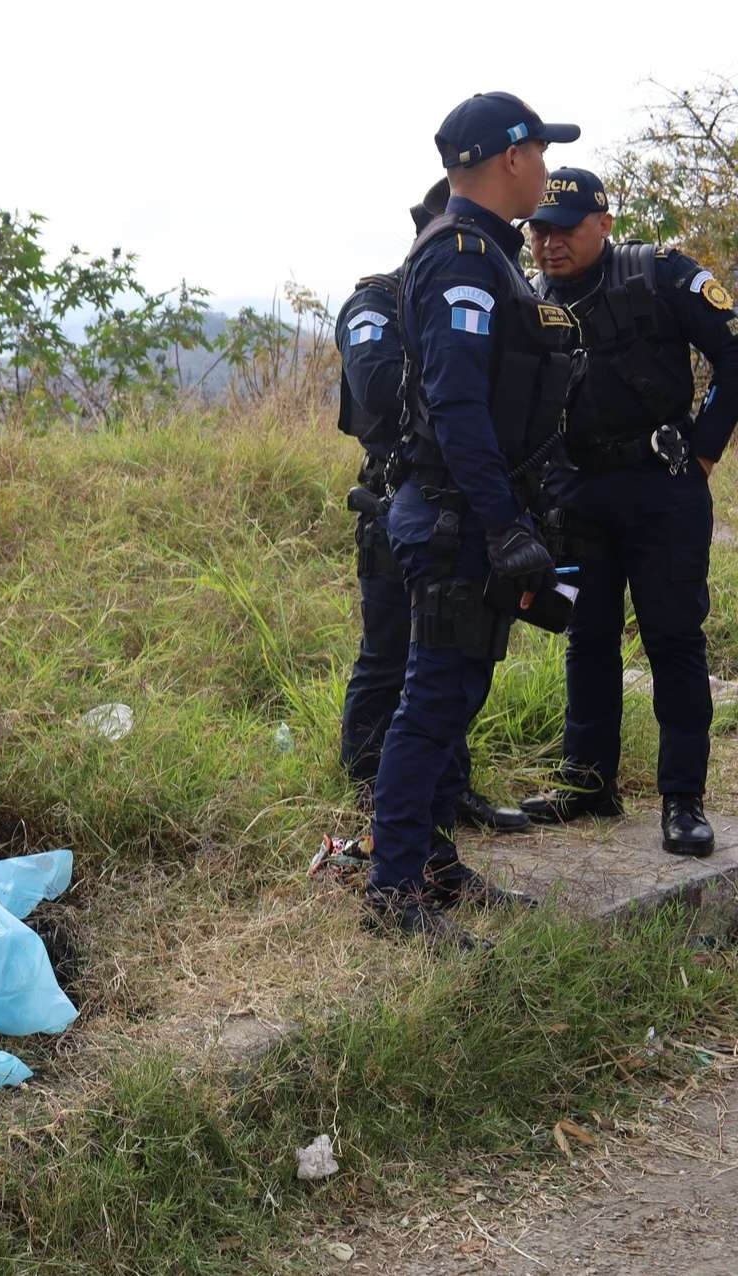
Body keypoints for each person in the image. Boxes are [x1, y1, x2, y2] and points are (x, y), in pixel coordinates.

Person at [367, 93, 582, 945]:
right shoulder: (461, 258)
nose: (548, 168)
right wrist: (502, 527)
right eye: (540, 152)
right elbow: (457, 406)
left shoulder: (489, 255)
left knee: (455, 701)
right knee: (430, 707)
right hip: (456, 519)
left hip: (470, 518)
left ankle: (434, 865)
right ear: (511, 158)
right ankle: (391, 892)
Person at [515, 168, 738, 856]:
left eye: (566, 230)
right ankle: (588, 784)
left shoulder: (659, 274)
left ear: (604, 223)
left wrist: (703, 452)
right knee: (587, 638)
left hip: (661, 485)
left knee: (673, 640)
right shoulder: (530, 297)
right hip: (578, 496)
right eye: (539, 231)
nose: (550, 245)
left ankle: (682, 799)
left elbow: (733, 352)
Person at [336, 177, 530, 834]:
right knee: (390, 654)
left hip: (449, 500)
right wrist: (450, 369)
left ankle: (447, 795)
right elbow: (376, 386)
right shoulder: (379, 300)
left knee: (444, 664)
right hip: (393, 500)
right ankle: (373, 790)